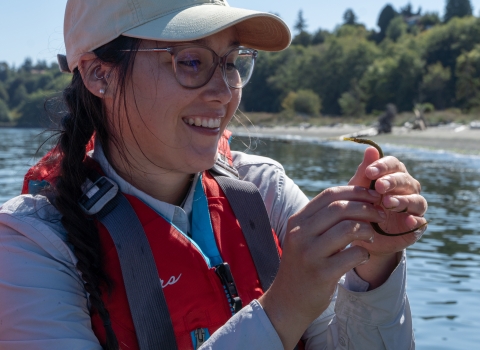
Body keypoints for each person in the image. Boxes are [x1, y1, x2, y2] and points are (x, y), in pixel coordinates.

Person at [0, 0, 428, 349]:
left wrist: (374, 269)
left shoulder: (266, 191)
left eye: (231, 61)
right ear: (99, 74)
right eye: (190, 61)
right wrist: (283, 309)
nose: (225, 93)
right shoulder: (31, 243)